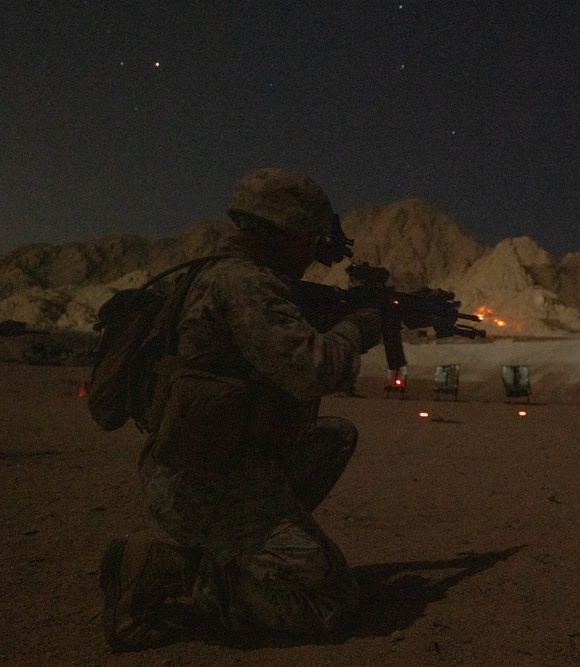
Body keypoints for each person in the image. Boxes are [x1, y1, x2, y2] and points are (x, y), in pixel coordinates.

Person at [99, 167, 382, 650]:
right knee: (331, 599)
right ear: (284, 231)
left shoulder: (222, 274)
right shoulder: (244, 284)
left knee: (334, 435)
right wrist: (359, 328)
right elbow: (311, 370)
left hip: (210, 460)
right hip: (200, 481)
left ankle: (251, 549)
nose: (314, 255)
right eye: (310, 240)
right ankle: (172, 571)